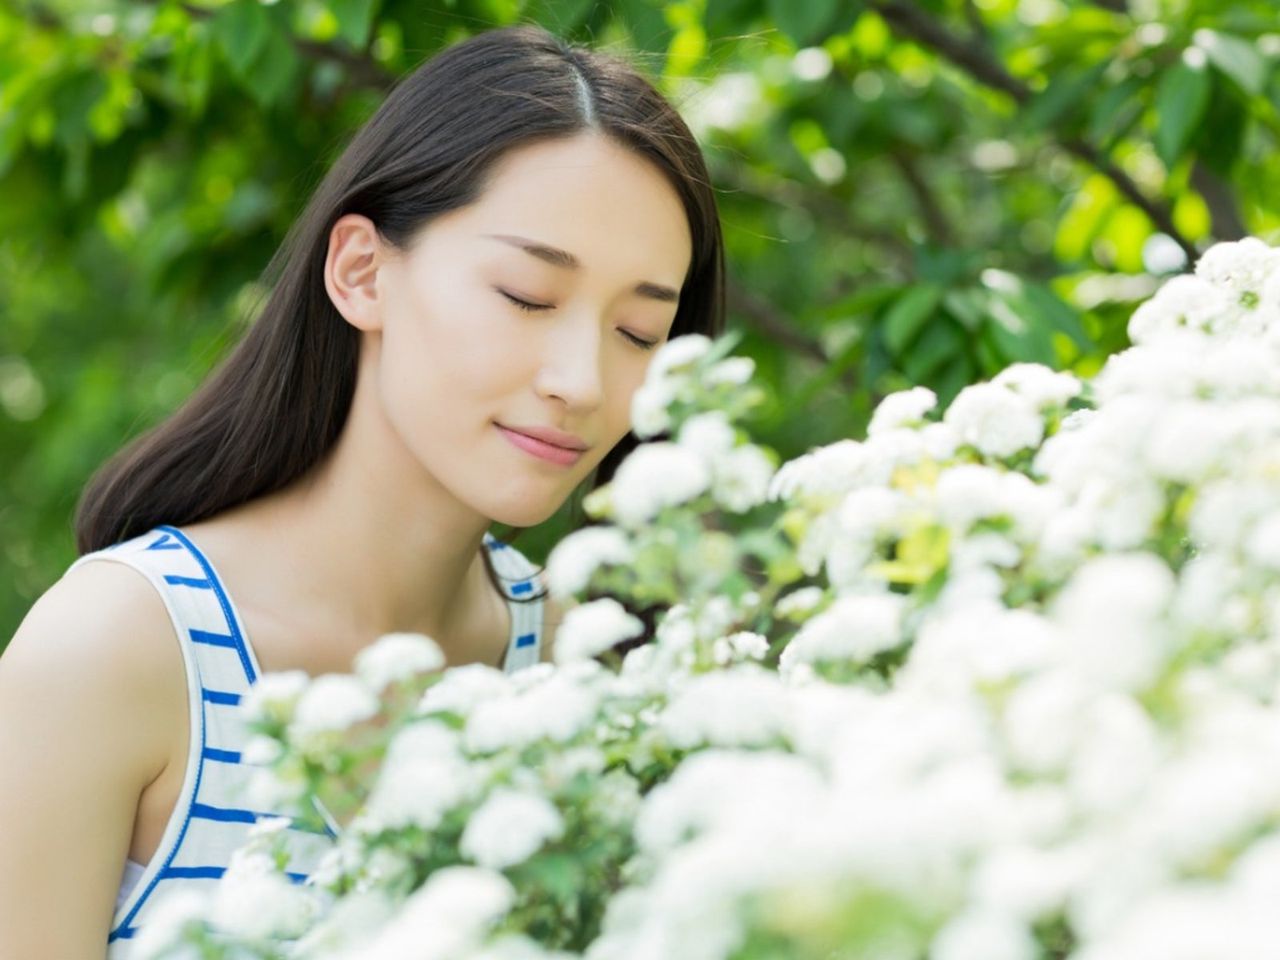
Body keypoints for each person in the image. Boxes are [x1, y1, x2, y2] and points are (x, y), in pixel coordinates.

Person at [0, 21, 725, 957]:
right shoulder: (116, 654)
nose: (582, 381)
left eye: (637, 331)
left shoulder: (589, 671)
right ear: (361, 271)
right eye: (526, 297)